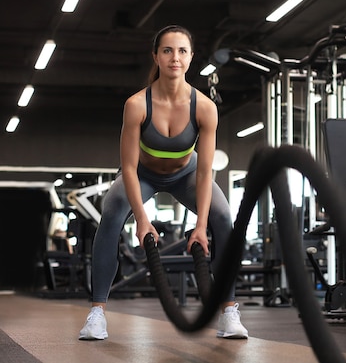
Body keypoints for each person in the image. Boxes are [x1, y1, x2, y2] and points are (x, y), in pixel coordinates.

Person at [79, 25, 248, 340]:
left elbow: (205, 170)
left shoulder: (205, 108)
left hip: (187, 173)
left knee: (223, 217)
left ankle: (228, 311)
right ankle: (97, 313)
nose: (175, 57)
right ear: (156, 56)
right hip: (141, 174)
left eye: (182, 51)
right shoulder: (136, 105)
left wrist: (200, 225)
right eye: (167, 50)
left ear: (191, 57)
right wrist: (142, 220)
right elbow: (128, 167)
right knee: (112, 213)